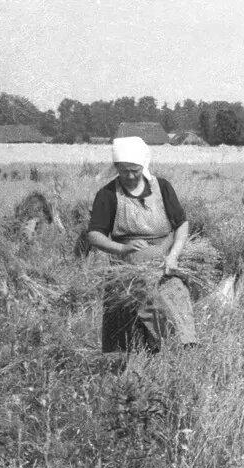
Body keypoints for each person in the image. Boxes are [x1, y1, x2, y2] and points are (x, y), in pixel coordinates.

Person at [87, 136, 198, 352]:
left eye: (135, 170)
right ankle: (139, 354)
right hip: (127, 269)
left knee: (172, 296)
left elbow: (181, 224)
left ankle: (175, 348)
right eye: (123, 170)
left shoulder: (162, 187)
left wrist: (173, 256)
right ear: (116, 167)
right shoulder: (108, 194)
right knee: (138, 301)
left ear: (144, 166)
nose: (129, 176)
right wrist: (121, 248)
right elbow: (94, 234)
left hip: (163, 262)